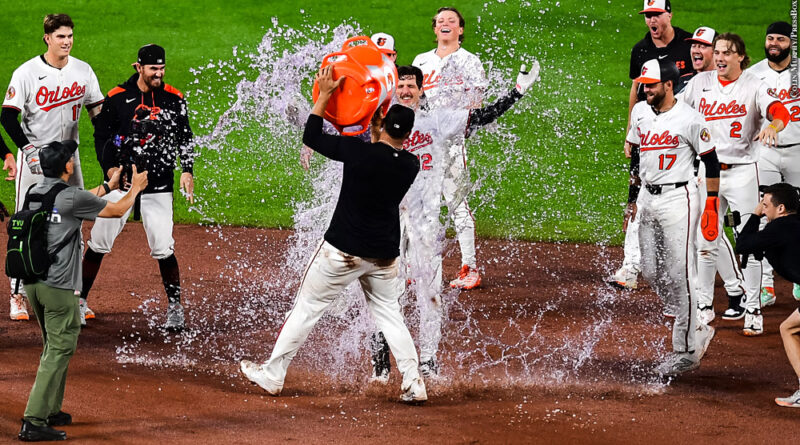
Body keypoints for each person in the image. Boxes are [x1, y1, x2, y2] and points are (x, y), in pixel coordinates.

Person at [240, 66, 427, 404]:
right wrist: (377, 128)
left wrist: (326, 96)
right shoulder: (410, 165)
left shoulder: (358, 152)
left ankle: (273, 375)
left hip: (343, 253)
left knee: (307, 308)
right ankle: (414, 383)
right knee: (391, 316)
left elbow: (312, 137)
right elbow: (382, 150)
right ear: (408, 135)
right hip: (384, 256)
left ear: (382, 124)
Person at [370, 63, 540, 379]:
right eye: (400, 86)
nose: (405, 91)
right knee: (387, 292)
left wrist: (518, 91)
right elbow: (340, 134)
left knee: (430, 293)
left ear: (421, 90)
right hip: (386, 219)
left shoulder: (438, 120)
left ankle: (428, 361)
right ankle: (380, 363)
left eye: (411, 86)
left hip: (425, 223)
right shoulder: (378, 123)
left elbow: (484, 116)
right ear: (393, 89)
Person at [17, 140, 146, 442]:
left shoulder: (34, 192)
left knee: (53, 345)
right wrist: (135, 188)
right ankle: (34, 420)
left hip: (33, 283)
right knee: (60, 348)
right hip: (58, 287)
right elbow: (117, 210)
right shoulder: (71, 196)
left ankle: (51, 410)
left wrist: (107, 185)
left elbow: (76, 201)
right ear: (67, 167)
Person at [79, 44, 195, 331]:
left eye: (162, 68)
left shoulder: (174, 98)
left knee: (163, 246)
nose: (159, 73)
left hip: (158, 183)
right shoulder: (118, 97)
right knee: (98, 242)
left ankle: (175, 308)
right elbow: (101, 136)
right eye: (153, 68)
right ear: (139, 67)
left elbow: (185, 136)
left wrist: (187, 170)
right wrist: (109, 170)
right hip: (123, 182)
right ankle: (79, 302)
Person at [681, 33, 790, 336]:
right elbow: (679, 112)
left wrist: (773, 125)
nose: (720, 57)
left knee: (750, 243)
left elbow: (780, 111)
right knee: (705, 240)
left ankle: (753, 309)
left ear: (741, 56)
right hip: (708, 172)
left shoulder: (754, 85)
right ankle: (704, 306)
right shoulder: (700, 83)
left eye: (727, 52)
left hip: (743, 172)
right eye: (717, 52)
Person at [1, 13, 104, 322]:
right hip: (35, 159)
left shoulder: (83, 70)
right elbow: (7, 117)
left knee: (75, 223)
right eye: (61, 36)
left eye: (70, 36)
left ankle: (75, 296)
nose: (67, 41)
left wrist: (111, 149)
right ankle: (18, 294)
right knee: (26, 222)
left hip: (69, 161)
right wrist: (27, 150)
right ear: (47, 38)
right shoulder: (27, 73)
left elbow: (98, 116)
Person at [624, 58, 717, 376]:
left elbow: (711, 161)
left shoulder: (691, 119)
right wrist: (632, 199)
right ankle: (692, 321)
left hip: (680, 198)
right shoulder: (640, 112)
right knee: (650, 270)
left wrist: (712, 204)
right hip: (647, 198)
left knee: (680, 272)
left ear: (668, 84)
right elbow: (637, 157)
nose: (644, 90)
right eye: (643, 85)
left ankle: (687, 349)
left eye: (650, 85)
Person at [611, 0, 694, 289]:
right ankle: (630, 266)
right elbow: (636, 89)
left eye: (656, 14)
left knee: (686, 197)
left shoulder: (689, 45)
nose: (651, 21)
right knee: (637, 191)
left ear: (669, 14)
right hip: (651, 131)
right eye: (647, 15)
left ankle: (689, 266)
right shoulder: (641, 49)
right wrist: (630, 132)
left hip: (683, 136)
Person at [675, 26, 747, 325]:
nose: (697, 50)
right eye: (695, 45)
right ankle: (719, 296)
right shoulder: (693, 84)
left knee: (709, 232)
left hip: (728, 170)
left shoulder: (733, 85)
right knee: (703, 234)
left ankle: (736, 291)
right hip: (699, 170)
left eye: (704, 46)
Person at [412, 7, 488, 290]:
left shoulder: (469, 61)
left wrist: (458, 129)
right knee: (417, 203)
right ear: (435, 29)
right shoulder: (421, 61)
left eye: (451, 21)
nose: (445, 24)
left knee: (456, 203)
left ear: (460, 29)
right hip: (422, 142)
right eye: (440, 21)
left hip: (452, 142)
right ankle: (415, 265)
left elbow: (476, 105)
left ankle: (471, 268)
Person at [747, 21, 800, 307]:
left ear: (791, 43)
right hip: (765, 152)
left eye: (781, 39)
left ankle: (798, 277)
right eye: (770, 38)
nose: (774, 44)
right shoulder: (753, 74)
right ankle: (766, 282)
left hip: (798, 152)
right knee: (766, 213)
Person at [734, 183, 800, 407]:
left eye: (765, 205)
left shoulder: (778, 229)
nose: (762, 209)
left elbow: (742, 245)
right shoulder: (791, 224)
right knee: (790, 328)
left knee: (789, 329)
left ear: (780, 208)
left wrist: (754, 216)